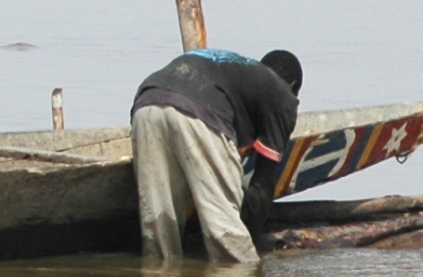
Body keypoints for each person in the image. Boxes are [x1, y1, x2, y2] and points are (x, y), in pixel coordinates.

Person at [128, 48, 303, 263]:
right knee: (227, 234)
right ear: (293, 86)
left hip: (147, 103)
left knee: (159, 234)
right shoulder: (284, 97)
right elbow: (263, 184)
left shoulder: (240, 71)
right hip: (200, 111)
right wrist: (254, 238)